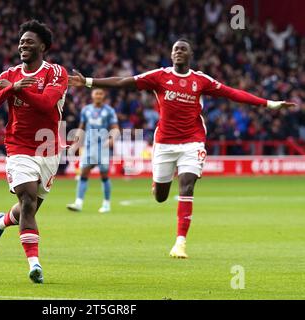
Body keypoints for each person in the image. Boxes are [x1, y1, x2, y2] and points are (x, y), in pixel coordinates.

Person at [68, 38, 295, 259]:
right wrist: (88, 81)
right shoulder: (160, 76)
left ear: (190, 55)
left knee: (187, 186)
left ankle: (180, 242)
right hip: (165, 143)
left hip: (192, 140)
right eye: (175, 49)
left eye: (183, 49)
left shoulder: (200, 80)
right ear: (171, 54)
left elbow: (231, 93)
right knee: (161, 197)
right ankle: (157, 184)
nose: (178, 52)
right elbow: (123, 82)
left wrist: (269, 103)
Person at [0, 20, 68, 284]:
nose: (23, 45)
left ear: (43, 46)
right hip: (18, 147)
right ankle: (35, 265)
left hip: (49, 147)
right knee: (28, 202)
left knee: (28, 207)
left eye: (29, 41)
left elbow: (45, 104)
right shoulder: (10, 74)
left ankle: (1, 222)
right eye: (21, 42)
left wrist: (20, 89)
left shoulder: (56, 73)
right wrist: (10, 87)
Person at [67, 88, 120, 213]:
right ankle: (78, 203)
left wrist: (112, 139)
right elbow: (82, 127)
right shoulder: (86, 110)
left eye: (101, 93)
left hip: (103, 147)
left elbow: (115, 128)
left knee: (104, 175)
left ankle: (106, 204)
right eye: (96, 93)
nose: (98, 95)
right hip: (89, 146)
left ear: (104, 96)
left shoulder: (109, 111)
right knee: (83, 173)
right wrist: (76, 142)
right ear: (92, 95)